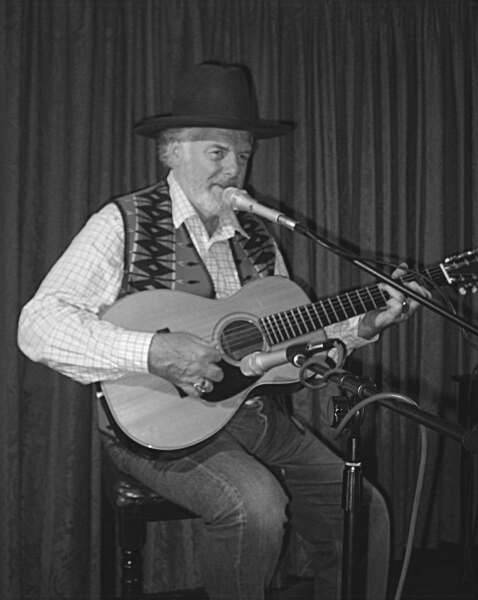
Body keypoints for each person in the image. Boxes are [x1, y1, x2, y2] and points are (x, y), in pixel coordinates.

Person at [18, 62, 429, 600]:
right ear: (173, 151)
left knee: (362, 509)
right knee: (254, 505)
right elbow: (39, 323)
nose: (234, 168)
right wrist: (152, 350)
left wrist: (364, 325)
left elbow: (291, 346)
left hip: (255, 418)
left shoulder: (258, 235)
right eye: (218, 152)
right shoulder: (123, 221)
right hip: (154, 427)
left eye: (243, 153)